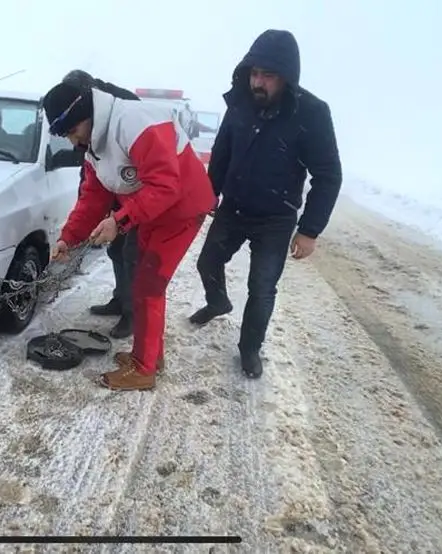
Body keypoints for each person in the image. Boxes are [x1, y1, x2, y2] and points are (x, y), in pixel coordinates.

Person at [189, 29, 343, 379]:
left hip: (276, 218)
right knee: (207, 261)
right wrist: (210, 192)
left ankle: (249, 349)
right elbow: (223, 152)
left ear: (287, 78)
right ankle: (217, 301)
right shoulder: (241, 101)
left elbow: (328, 175)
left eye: (268, 76)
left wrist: (309, 230)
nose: (258, 82)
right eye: (254, 73)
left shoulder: (312, 113)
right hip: (234, 208)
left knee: (261, 288)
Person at [44, 80, 214, 391]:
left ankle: (144, 370)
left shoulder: (134, 123)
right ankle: (149, 355)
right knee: (140, 282)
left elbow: (166, 186)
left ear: (84, 115)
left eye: (71, 131)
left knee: (149, 285)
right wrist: (68, 237)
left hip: (181, 209)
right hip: (154, 211)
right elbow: (92, 197)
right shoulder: (93, 144)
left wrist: (119, 221)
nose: (72, 140)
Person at [61, 70, 142, 338]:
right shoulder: (84, 120)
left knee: (133, 255)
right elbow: (90, 164)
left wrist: (121, 214)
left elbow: (142, 170)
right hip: (112, 189)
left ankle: (133, 314)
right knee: (117, 251)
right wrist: (86, 219)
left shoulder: (123, 109)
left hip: (138, 195)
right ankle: (121, 299)